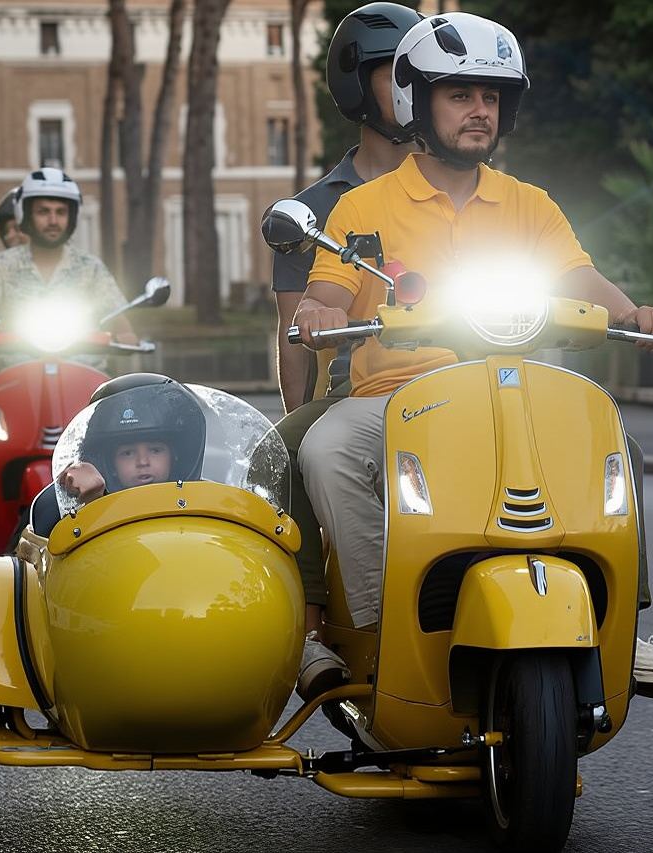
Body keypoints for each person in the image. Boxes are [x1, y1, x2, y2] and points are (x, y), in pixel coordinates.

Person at [294, 12, 653, 700]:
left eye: (490, 97)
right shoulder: (362, 208)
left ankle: (624, 627)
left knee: (617, 446)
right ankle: (376, 620)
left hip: (510, 385)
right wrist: (319, 309)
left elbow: (578, 276)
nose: (479, 111)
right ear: (418, 102)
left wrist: (636, 313)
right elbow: (327, 287)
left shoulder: (529, 204)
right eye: (460, 95)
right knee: (325, 449)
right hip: (396, 396)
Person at [267, 2, 423, 700]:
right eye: (397, 75)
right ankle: (309, 628)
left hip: (465, 369)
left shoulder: (459, 186)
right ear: (358, 85)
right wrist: (297, 413)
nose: (414, 90)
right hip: (356, 382)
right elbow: (293, 325)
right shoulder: (319, 203)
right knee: (280, 450)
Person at [0, 167, 136, 522]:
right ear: (26, 216)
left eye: (60, 212)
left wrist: (127, 338)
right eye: (43, 211)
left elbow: (121, 321)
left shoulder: (90, 268)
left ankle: (123, 512)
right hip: (14, 377)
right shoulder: (1, 266)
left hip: (83, 376)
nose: (53, 220)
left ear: (72, 218)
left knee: (134, 415)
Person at [56, 376, 207, 504]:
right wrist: (91, 498)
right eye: (127, 453)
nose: (142, 462)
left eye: (155, 450)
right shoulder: (93, 497)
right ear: (110, 463)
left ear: (175, 456)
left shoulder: (204, 499)